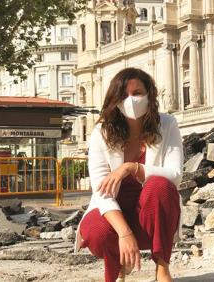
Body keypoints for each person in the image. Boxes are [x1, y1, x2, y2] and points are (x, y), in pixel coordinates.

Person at [74, 67, 183, 282]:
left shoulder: (167, 124)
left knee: (159, 184)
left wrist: (132, 168)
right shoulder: (101, 133)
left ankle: (162, 268)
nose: (131, 100)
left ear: (150, 95)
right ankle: (117, 270)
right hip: (116, 215)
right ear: (114, 100)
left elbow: (175, 175)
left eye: (137, 93)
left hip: (152, 218)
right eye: (124, 95)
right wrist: (125, 233)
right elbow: (101, 191)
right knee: (97, 230)